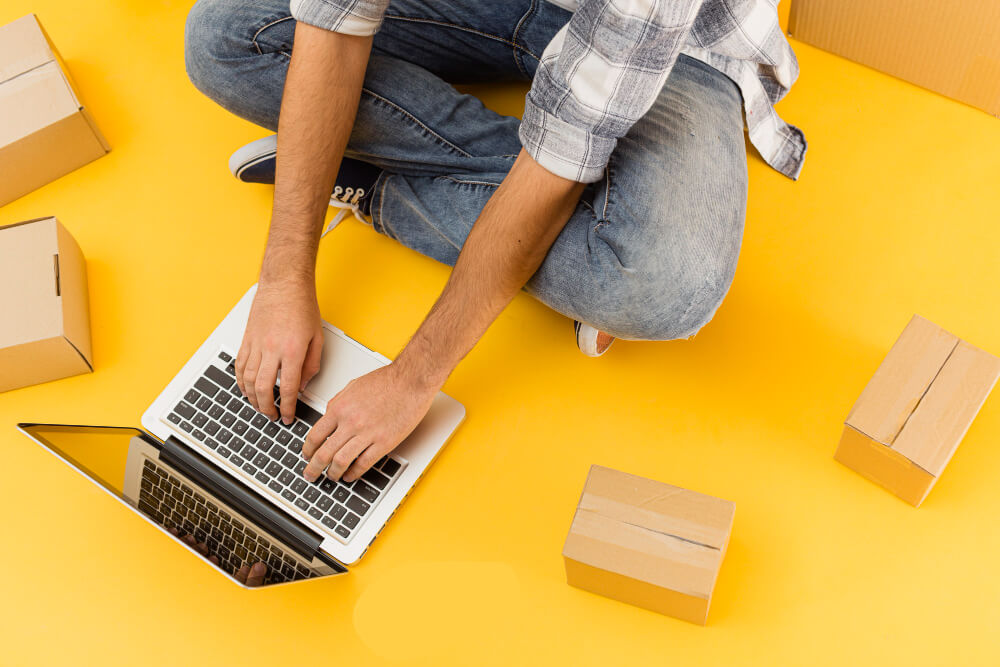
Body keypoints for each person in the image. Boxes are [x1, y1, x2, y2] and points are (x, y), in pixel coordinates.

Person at [184, 0, 806, 485]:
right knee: (224, 39)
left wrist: (411, 379)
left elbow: (561, 150)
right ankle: (574, 237)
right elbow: (333, 20)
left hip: (678, 49)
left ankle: (376, 187)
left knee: (664, 287)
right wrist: (284, 276)